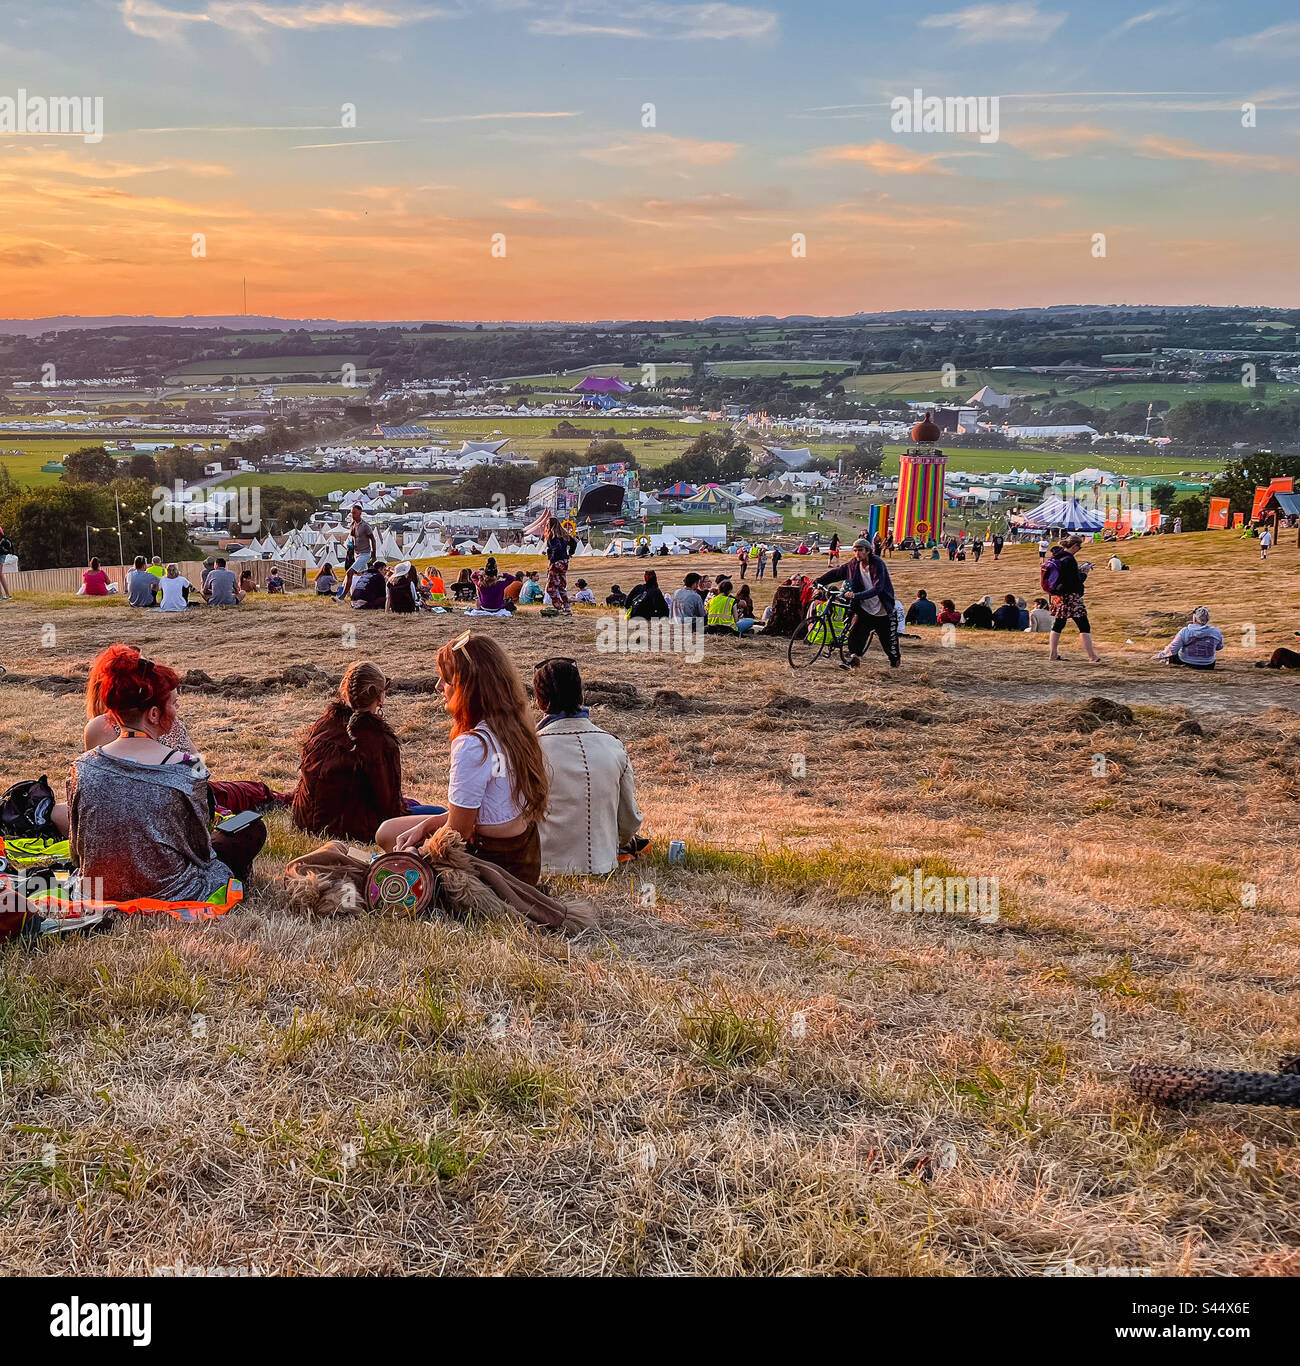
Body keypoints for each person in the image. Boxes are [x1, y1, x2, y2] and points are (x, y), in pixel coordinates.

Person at [67, 645, 265, 901]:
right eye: (174, 704)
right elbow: (200, 852)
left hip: (100, 889)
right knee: (249, 828)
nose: (177, 711)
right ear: (153, 714)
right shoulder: (184, 770)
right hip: (170, 891)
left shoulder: (80, 768)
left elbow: (77, 852)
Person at [376, 633, 549, 886]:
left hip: (491, 863)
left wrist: (422, 847)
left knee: (388, 835)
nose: (438, 687)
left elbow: (459, 832)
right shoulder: (515, 729)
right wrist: (426, 825)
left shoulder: (472, 744)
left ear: (468, 687)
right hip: (524, 859)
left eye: (446, 680)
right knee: (394, 831)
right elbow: (477, 816)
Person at [292, 662, 434, 841]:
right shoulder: (380, 741)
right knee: (439, 814)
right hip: (353, 829)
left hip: (306, 820)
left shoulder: (324, 724)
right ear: (380, 697)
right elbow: (390, 808)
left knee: (416, 805)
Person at [532, 658, 643, 876]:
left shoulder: (529, 749)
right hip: (603, 861)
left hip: (544, 862)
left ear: (539, 701)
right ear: (581, 696)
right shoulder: (613, 745)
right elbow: (629, 819)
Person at [816, 537, 899, 669]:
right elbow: (837, 573)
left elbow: (878, 589)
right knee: (855, 635)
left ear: (868, 551)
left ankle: (895, 661)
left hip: (881, 609)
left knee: (887, 641)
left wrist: (856, 595)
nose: (857, 553)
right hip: (864, 607)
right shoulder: (853, 564)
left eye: (860, 550)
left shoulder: (877, 564)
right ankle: (854, 660)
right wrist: (819, 581)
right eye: (855, 550)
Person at [1044, 538, 1099, 663]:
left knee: (1058, 624)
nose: (1079, 550)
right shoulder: (1070, 559)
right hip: (1071, 597)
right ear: (1074, 546)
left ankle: (1053, 654)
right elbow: (1074, 581)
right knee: (1083, 625)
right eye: (1079, 547)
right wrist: (1084, 573)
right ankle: (1092, 656)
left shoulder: (1057, 557)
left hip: (1058, 596)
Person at [1157, 607, 1224, 669]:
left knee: (1173, 653)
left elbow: (1172, 649)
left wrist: (1159, 656)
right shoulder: (1216, 632)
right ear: (1208, 619)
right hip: (1209, 665)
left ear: (1194, 618)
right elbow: (1219, 647)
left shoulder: (1186, 631)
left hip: (1186, 662)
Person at [341, 504, 375, 600]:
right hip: (357, 553)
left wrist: (374, 554)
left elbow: (373, 539)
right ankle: (364, 595)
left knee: (350, 573)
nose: (352, 514)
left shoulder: (365, 526)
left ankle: (342, 597)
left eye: (354, 513)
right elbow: (353, 538)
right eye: (352, 513)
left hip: (365, 554)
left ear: (360, 513)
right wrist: (351, 547)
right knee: (364, 576)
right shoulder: (352, 525)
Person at [545, 516, 578, 615]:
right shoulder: (564, 534)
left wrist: (552, 559)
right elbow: (574, 543)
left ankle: (558, 605)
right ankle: (567, 607)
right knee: (561, 585)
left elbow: (556, 548)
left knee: (550, 587)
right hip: (564, 561)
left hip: (556, 562)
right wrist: (570, 553)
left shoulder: (552, 535)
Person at [0, 523, 13, 601]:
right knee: (0, 573)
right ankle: (7, 594)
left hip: (0, 552)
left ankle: (1, 596)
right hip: (2, 551)